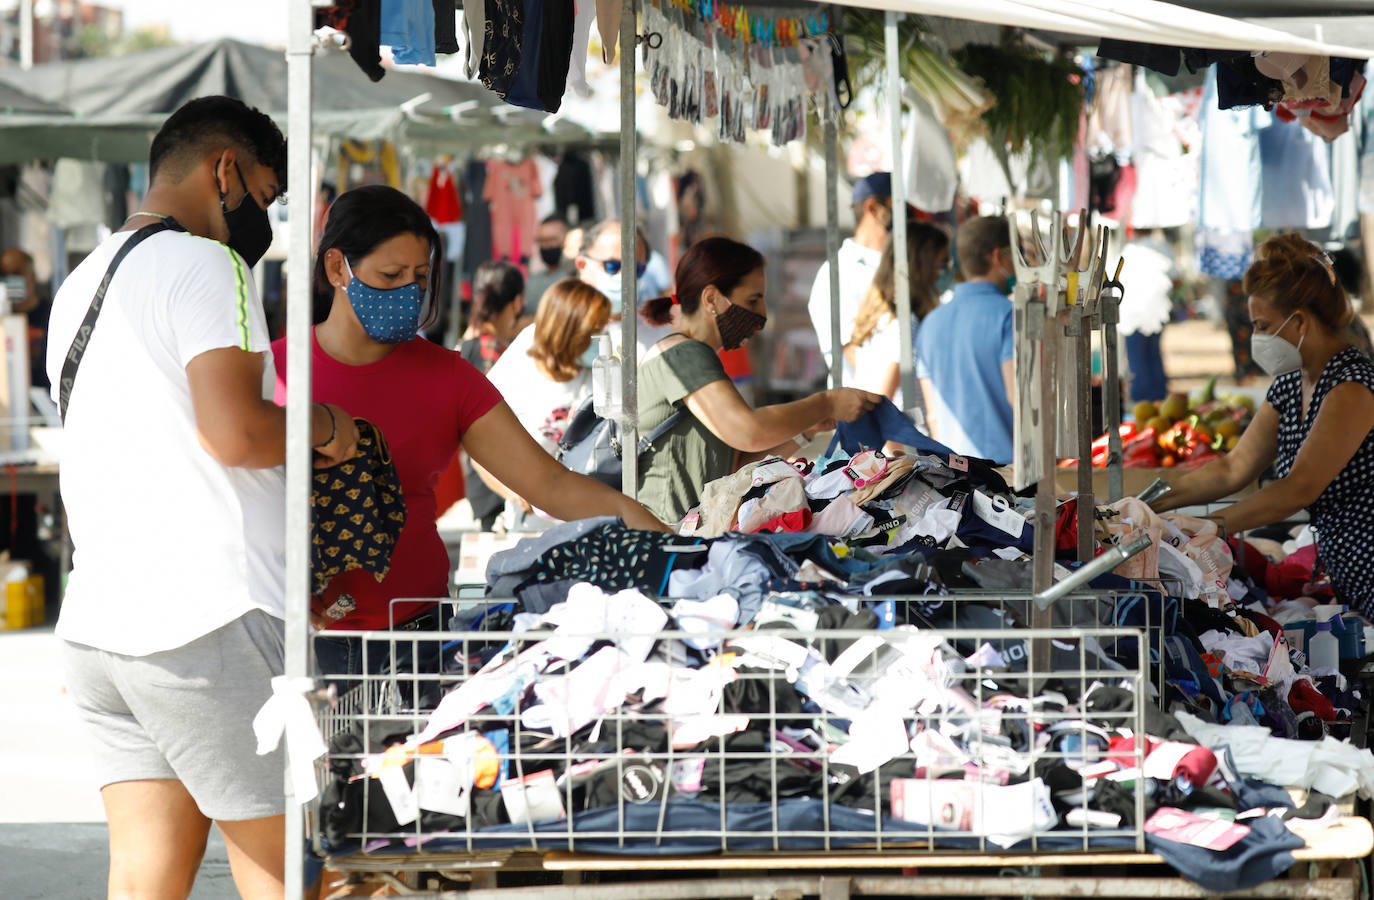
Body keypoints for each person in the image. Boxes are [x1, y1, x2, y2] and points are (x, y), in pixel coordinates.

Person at [46, 96, 360, 900]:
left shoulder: (81, 280)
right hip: (207, 621)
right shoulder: (205, 263)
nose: (267, 214)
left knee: (144, 879)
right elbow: (236, 434)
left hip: (103, 628)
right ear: (225, 169)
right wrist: (326, 425)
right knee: (294, 879)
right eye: (265, 191)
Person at [273, 185, 666, 647]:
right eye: (391, 274)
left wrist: (668, 539)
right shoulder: (274, 371)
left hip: (419, 635)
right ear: (338, 267)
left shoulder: (449, 378)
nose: (408, 291)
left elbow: (551, 485)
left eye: (419, 277)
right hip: (293, 637)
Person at [1150, 234, 1374, 620]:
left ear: (1300, 321)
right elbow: (1233, 468)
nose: (1257, 338)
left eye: (1263, 325)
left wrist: (1214, 525)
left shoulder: (1353, 386)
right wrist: (1148, 504)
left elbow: (1298, 488)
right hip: (1346, 574)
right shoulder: (1292, 382)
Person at [637, 236, 883, 524]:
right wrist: (825, 403)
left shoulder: (695, 360)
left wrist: (807, 429)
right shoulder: (684, 355)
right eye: (753, 300)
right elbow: (749, 430)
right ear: (711, 299)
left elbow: (738, 465)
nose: (762, 315)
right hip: (666, 534)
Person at [479, 278, 611, 528]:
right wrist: (514, 493)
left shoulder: (597, 367)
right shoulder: (523, 359)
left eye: (603, 328)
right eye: (594, 330)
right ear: (569, 332)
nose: (601, 337)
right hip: (531, 521)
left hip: (586, 511)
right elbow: (478, 443)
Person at [916, 215, 1017, 464]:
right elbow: (1019, 398)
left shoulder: (930, 323)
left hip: (954, 472)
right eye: (1017, 253)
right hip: (1006, 474)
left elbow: (933, 417)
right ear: (998, 256)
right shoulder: (1009, 316)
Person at [843, 222, 951, 412]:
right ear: (921, 266)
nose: (943, 273)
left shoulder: (880, 317)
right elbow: (882, 407)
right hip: (907, 439)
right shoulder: (904, 326)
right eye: (941, 264)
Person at [807, 172, 896, 383]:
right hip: (871, 408)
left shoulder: (901, 265)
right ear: (873, 208)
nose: (909, 219)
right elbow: (853, 353)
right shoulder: (839, 273)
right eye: (901, 209)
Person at [458, 260, 525, 530]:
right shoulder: (493, 350)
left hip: (480, 475)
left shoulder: (466, 346)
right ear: (517, 301)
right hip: (500, 478)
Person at [1118, 232, 1177, 402]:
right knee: (1152, 354)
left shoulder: (1128, 250)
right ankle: (1156, 396)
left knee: (1138, 357)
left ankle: (1144, 397)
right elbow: (1175, 277)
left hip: (1135, 312)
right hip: (1154, 311)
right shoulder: (1162, 248)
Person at [2, 247, 51, 388]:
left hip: (47, 402)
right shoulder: (2, 319)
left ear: (33, 276)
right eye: (5, 274)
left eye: (17, 273)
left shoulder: (52, 313)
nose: (10, 280)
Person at [523, 214, 571, 318]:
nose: (546, 245)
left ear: (566, 240)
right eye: (542, 241)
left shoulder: (577, 277)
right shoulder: (532, 281)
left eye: (552, 240)